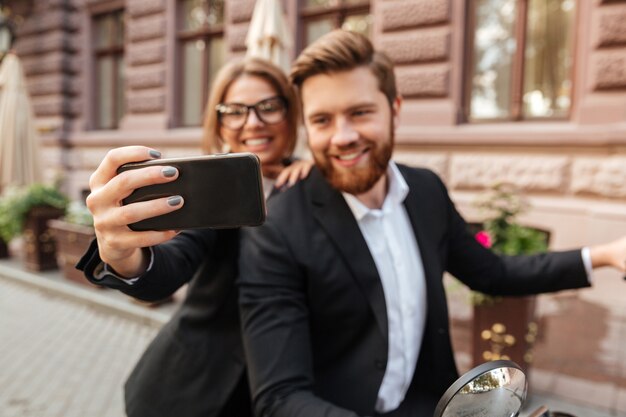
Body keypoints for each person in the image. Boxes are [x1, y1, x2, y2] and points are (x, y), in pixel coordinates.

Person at [237, 30, 626, 417]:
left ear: (395, 110)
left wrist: (606, 255)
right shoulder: (277, 227)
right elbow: (280, 398)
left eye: (360, 112)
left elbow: (493, 273)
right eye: (322, 120)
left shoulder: (426, 191)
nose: (343, 137)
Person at [76, 58, 312, 417]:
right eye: (234, 111)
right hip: (187, 391)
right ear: (218, 124)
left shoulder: (312, 182)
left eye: (268, 107)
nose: (253, 122)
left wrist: (315, 179)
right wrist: (123, 256)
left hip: (285, 393)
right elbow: (172, 262)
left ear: (290, 114)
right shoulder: (211, 188)